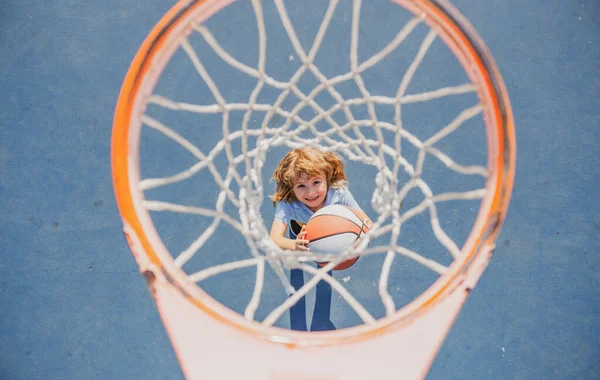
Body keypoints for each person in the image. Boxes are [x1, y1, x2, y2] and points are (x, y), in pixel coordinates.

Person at [269, 147, 364, 251]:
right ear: (291, 187)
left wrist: (362, 238)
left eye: (316, 182)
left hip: (328, 228)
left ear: (327, 178)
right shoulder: (288, 202)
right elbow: (274, 239)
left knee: (325, 259)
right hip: (300, 229)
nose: (311, 193)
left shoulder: (338, 192)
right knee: (297, 259)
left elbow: (364, 220)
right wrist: (294, 245)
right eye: (301, 186)